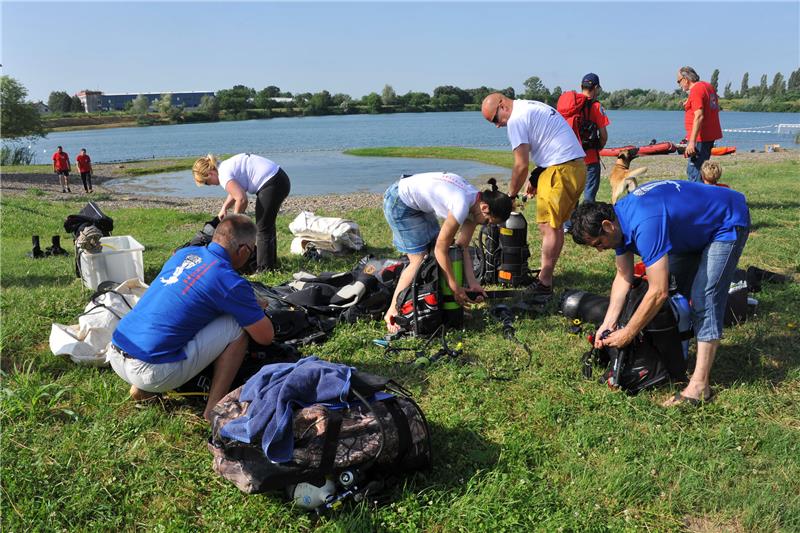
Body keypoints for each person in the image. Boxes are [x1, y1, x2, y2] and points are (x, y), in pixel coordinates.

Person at [569, 180, 750, 406]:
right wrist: (608, 323)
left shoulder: (644, 224)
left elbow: (658, 292)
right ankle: (677, 357)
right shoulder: (618, 221)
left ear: (607, 226)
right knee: (679, 291)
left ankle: (700, 385)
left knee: (705, 297)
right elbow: (623, 275)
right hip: (694, 229)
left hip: (726, 220)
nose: (599, 249)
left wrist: (629, 333)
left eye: (598, 243)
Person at [108, 215, 275, 420]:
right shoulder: (229, 281)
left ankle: (143, 389)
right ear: (243, 250)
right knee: (236, 326)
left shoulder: (184, 254)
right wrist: (246, 307)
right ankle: (214, 409)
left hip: (116, 353)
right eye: (251, 250)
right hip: (150, 371)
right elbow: (265, 337)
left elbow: (195, 293)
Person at [481, 93, 587, 299]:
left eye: (495, 119)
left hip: (560, 171)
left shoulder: (516, 119)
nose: (497, 125)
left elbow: (520, 165)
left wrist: (509, 197)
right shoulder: (529, 106)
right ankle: (545, 276)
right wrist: (538, 174)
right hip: (575, 167)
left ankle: (544, 283)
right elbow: (548, 140)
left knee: (548, 227)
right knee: (553, 227)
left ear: (502, 105)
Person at [383, 173, 512, 332]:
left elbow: (461, 247)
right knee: (419, 260)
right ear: (485, 208)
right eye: (486, 222)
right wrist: (455, 287)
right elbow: (440, 250)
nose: (483, 225)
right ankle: (393, 310)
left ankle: (441, 303)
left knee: (435, 257)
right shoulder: (461, 205)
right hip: (400, 202)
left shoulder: (475, 203)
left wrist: (472, 283)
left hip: (418, 205)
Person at [193, 153, 291, 272]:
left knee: (262, 229)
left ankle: (264, 270)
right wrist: (224, 207)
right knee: (266, 226)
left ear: (210, 174)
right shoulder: (224, 166)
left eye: (207, 183)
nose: (210, 185)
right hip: (278, 178)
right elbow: (236, 191)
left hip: (272, 182)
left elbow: (242, 199)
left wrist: (234, 221)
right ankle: (271, 264)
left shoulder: (223, 175)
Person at [563, 73, 610, 203]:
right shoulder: (596, 106)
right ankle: (586, 223)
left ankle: (569, 224)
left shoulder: (570, 105)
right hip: (590, 159)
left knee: (572, 198)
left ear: (581, 86)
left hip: (570, 158)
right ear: (596, 87)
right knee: (589, 198)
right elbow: (604, 136)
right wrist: (598, 147)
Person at [677, 66, 722, 182]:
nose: (679, 85)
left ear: (685, 79)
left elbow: (699, 116)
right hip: (709, 135)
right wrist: (689, 103)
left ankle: (697, 199)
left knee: (694, 171)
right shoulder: (707, 86)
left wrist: (692, 142)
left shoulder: (696, 90)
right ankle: (707, 196)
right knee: (702, 170)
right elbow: (709, 104)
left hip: (700, 138)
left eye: (679, 81)